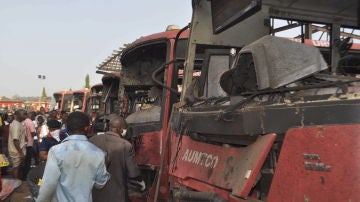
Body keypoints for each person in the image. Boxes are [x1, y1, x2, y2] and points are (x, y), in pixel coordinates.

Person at [37, 112, 110, 202]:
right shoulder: (98, 153)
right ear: (88, 128)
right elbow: (100, 183)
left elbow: (48, 184)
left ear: (66, 128)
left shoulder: (56, 151)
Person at [90, 116, 145, 202]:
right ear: (120, 130)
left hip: (94, 195)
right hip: (117, 196)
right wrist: (141, 183)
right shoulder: (125, 145)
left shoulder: (92, 141)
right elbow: (133, 173)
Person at [27, 119, 67, 200]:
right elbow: (42, 156)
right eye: (52, 129)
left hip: (63, 169)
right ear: (49, 129)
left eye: (56, 129)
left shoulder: (65, 137)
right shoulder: (46, 140)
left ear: (59, 128)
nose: (54, 131)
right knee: (42, 189)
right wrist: (60, 156)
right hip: (47, 169)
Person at [8, 109, 27, 179]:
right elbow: (15, 140)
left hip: (18, 150)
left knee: (18, 167)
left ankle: (16, 181)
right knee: (16, 168)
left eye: (26, 114)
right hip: (16, 151)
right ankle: (15, 182)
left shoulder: (18, 123)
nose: (25, 116)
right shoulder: (16, 125)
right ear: (17, 115)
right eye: (24, 114)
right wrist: (21, 153)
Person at [22, 111, 36, 180]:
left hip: (22, 144)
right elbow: (33, 133)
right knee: (27, 161)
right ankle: (25, 176)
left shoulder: (23, 121)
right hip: (29, 144)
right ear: (32, 116)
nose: (34, 118)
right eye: (34, 116)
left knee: (23, 161)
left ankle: (22, 175)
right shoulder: (31, 122)